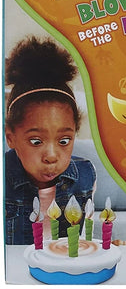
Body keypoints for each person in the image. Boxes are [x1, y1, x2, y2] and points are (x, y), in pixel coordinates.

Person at [5, 36, 96, 245]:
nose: (52, 156)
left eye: (64, 141)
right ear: (11, 137)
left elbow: (81, 239)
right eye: (36, 141)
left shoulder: (85, 175)